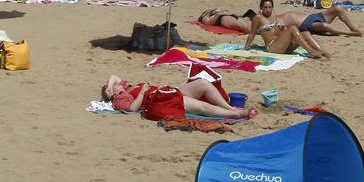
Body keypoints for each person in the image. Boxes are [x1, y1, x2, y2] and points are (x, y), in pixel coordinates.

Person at [102, 74, 256, 121]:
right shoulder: (120, 98)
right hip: (161, 100)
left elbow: (113, 76)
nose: (120, 82)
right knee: (203, 107)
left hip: (168, 91)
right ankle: (236, 113)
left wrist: (110, 85)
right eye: (116, 85)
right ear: (113, 93)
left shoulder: (126, 87)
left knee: (202, 83)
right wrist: (142, 91)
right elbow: (132, 109)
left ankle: (229, 107)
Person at [244, 0, 328, 58]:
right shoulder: (258, 18)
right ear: (261, 8)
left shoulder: (274, 16)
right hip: (273, 47)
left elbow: (281, 33)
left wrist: (283, 29)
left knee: (305, 33)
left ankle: (323, 52)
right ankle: (310, 51)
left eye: (270, 7)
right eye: (265, 7)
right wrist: (246, 48)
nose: (267, 9)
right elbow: (252, 34)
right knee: (293, 28)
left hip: (283, 46)